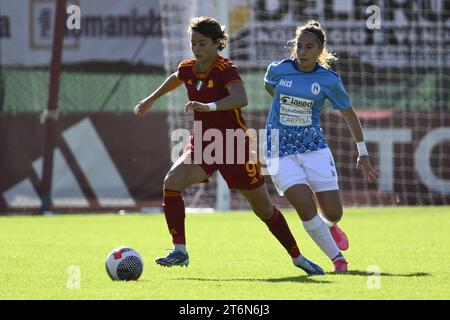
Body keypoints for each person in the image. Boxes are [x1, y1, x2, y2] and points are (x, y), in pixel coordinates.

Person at [134, 16, 324, 275]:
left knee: (265, 210)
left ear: (216, 44)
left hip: (234, 146)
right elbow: (177, 76)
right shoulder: (189, 67)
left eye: (202, 43)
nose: (196, 48)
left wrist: (209, 106)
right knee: (171, 183)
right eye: (193, 43)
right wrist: (150, 99)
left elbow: (241, 98)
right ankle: (179, 251)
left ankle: (298, 257)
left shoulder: (226, 69)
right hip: (203, 143)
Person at [263, 20, 378, 272]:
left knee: (333, 213)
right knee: (304, 206)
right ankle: (338, 259)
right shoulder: (277, 70)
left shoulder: (329, 80)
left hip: (313, 147)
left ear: (320, 51)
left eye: (309, 47)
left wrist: (363, 153)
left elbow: (349, 114)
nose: (302, 52)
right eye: (299, 46)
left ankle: (330, 226)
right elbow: (270, 87)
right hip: (278, 148)